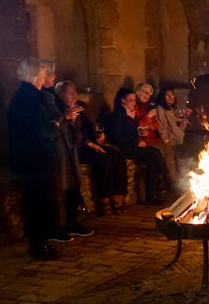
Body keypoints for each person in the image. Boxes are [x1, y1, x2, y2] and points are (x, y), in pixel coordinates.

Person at [7, 57, 61, 260]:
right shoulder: (28, 99)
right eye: (42, 73)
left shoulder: (29, 96)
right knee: (36, 203)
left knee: (42, 201)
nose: (44, 77)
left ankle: (42, 242)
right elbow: (41, 129)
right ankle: (37, 244)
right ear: (34, 75)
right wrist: (57, 124)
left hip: (36, 158)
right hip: (33, 159)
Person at [55, 80, 128, 216]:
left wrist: (100, 134)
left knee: (117, 155)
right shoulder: (62, 111)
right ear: (61, 95)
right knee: (103, 159)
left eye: (75, 91)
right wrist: (88, 142)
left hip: (93, 142)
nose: (75, 95)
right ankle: (104, 199)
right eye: (70, 93)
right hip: (78, 148)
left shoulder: (82, 107)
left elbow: (94, 123)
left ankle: (118, 196)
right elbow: (70, 133)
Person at [39, 60, 92, 239]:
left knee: (73, 185)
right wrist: (66, 117)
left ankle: (72, 221)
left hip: (68, 147)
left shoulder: (50, 98)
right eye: (51, 74)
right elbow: (50, 124)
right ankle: (55, 227)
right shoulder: (44, 98)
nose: (54, 77)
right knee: (57, 188)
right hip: (56, 148)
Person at [105, 87, 168, 205]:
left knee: (153, 157)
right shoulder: (118, 116)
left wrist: (141, 134)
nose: (134, 102)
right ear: (123, 100)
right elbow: (119, 137)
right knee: (153, 153)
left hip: (132, 145)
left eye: (134, 100)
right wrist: (137, 142)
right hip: (124, 148)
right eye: (131, 100)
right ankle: (165, 180)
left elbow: (134, 130)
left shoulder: (128, 114)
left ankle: (153, 194)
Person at [155, 86, 187, 181]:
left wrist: (183, 120)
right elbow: (162, 127)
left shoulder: (171, 109)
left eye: (172, 95)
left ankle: (184, 177)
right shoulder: (160, 109)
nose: (171, 97)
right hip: (167, 138)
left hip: (174, 135)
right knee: (170, 151)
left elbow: (175, 120)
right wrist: (167, 139)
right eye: (167, 95)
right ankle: (172, 180)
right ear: (162, 97)